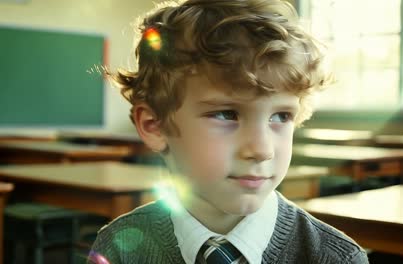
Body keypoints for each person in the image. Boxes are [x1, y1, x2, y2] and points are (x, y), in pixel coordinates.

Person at [88, 0, 368, 263]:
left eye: (281, 116)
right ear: (155, 125)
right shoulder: (117, 249)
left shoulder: (337, 258)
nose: (262, 150)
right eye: (226, 114)